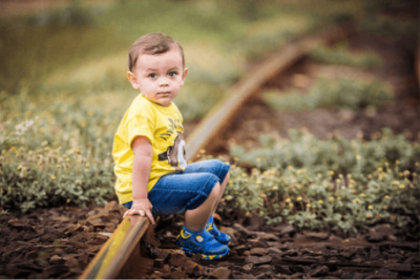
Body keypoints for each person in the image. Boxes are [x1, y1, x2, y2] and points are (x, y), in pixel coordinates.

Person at [112, 33, 231, 260]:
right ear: (135, 80)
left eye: (172, 74)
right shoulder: (142, 112)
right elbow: (142, 157)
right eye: (153, 75)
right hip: (146, 188)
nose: (164, 82)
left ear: (183, 76)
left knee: (220, 169)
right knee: (209, 185)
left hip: (164, 176)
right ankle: (192, 237)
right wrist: (139, 199)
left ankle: (204, 224)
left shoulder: (168, 106)